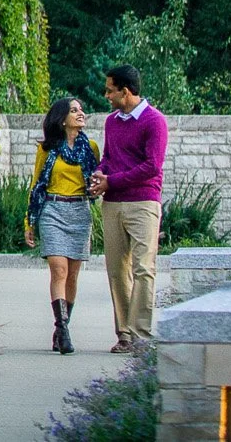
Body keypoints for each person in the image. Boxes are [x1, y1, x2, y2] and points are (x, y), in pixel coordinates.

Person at [88, 64, 168, 352]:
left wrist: (112, 181)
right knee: (116, 270)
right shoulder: (112, 122)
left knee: (144, 267)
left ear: (126, 91)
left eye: (110, 90)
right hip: (113, 204)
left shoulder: (154, 121)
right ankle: (124, 334)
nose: (106, 95)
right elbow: (109, 157)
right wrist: (99, 174)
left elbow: (152, 166)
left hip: (143, 203)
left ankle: (141, 335)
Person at [24, 96, 98, 353]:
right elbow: (36, 185)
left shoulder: (91, 148)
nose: (80, 113)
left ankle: (61, 327)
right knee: (59, 270)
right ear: (62, 119)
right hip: (52, 210)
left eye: (81, 109)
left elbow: (96, 182)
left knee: (73, 274)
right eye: (74, 110)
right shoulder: (46, 150)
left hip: (79, 210)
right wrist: (29, 221)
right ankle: (63, 329)